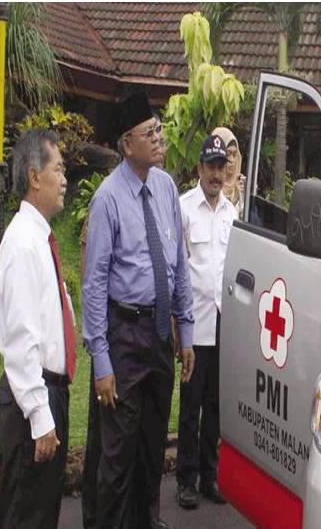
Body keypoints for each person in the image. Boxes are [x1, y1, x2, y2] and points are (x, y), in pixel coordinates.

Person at [82, 90, 195, 529]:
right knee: (117, 451)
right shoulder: (108, 199)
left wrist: (185, 331)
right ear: (127, 144)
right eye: (150, 133)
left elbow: (178, 264)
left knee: (151, 446)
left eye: (159, 130)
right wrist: (102, 362)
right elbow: (93, 285)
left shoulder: (166, 186)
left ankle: (145, 521)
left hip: (160, 335)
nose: (159, 138)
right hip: (123, 336)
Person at [0, 129, 75, 529]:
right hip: (32, 402)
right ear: (33, 176)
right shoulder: (24, 244)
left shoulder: (39, 238)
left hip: (47, 395)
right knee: (26, 516)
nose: (65, 179)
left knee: (42, 515)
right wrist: (41, 418)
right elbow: (21, 342)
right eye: (58, 169)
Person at [174, 134, 236, 508]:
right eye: (211, 166)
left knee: (215, 408)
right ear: (200, 168)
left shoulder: (232, 214)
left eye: (221, 167)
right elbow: (177, 269)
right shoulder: (184, 209)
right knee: (190, 407)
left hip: (224, 324)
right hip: (193, 327)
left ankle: (210, 477)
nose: (216, 174)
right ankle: (185, 478)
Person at [212, 126, 245, 218]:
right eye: (228, 154)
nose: (232, 160)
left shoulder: (241, 184)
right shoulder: (209, 185)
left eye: (235, 155)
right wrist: (233, 201)